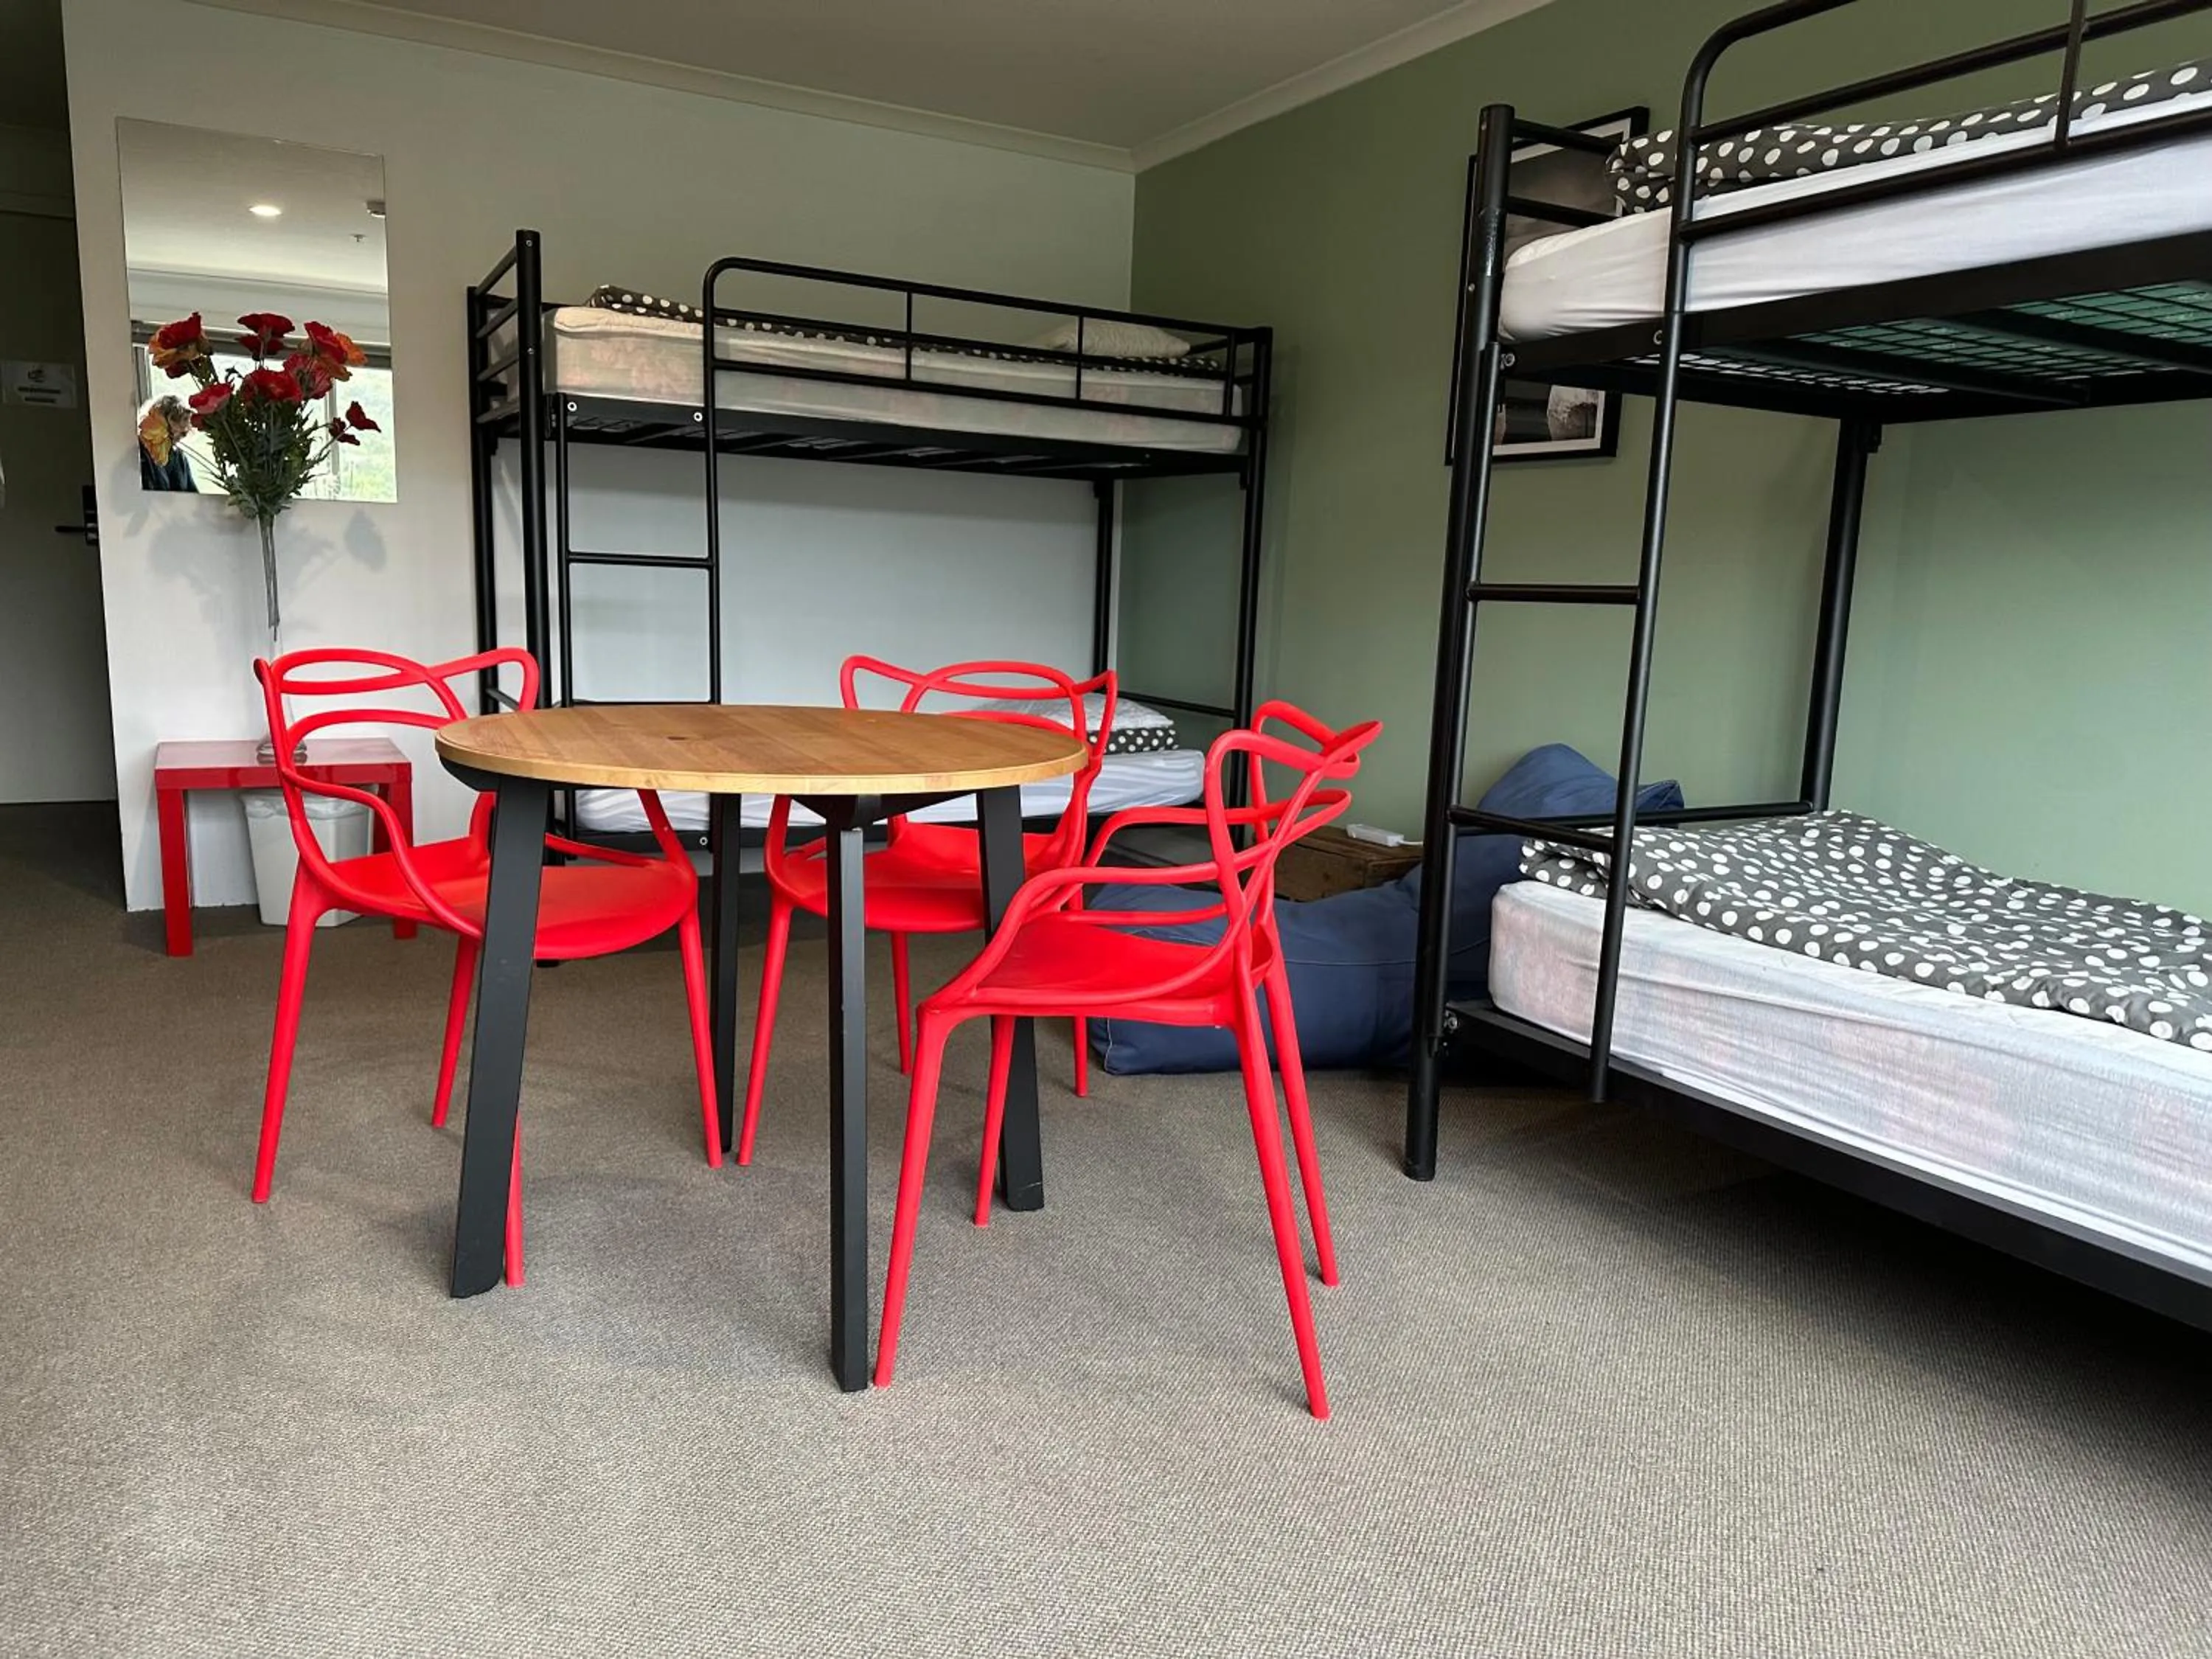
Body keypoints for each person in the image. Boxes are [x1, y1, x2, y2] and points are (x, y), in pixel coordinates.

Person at [138, 396, 198, 492]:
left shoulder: (179, 457)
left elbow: (193, 495)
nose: (180, 437)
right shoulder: (139, 452)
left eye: (184, 434)